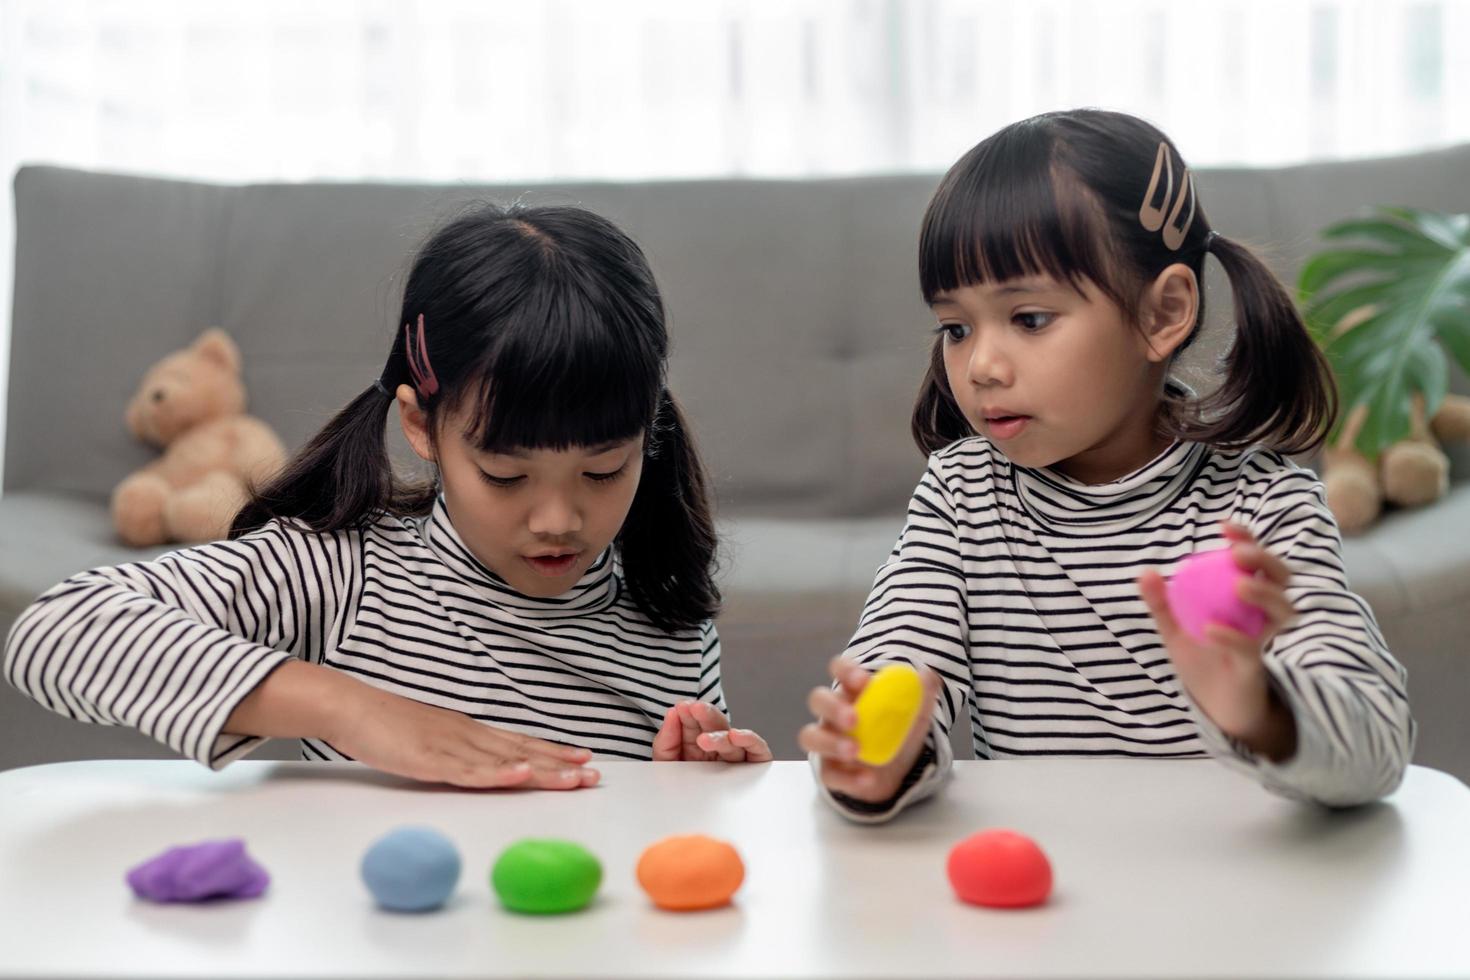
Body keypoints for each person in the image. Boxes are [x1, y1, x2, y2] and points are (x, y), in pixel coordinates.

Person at [5, 203, 770, 790]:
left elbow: (656, 845)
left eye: (603, 471)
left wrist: (701, 784)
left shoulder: (667, 618)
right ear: (421, 425)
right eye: (505, 475)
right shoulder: (340, 571)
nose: (558, 519)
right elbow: (58, 630)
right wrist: (353, 709)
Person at [799, 109, 1413, 822]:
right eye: (956, 328)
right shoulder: (961, 496)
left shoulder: (1265, 509)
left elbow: (1378, 745)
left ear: (1163, 315)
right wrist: (871, 750)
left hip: (1229, 899)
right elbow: (897, 654)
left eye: (1029, 318)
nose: (982, 367)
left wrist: (1264, 708)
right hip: (1042, 900)